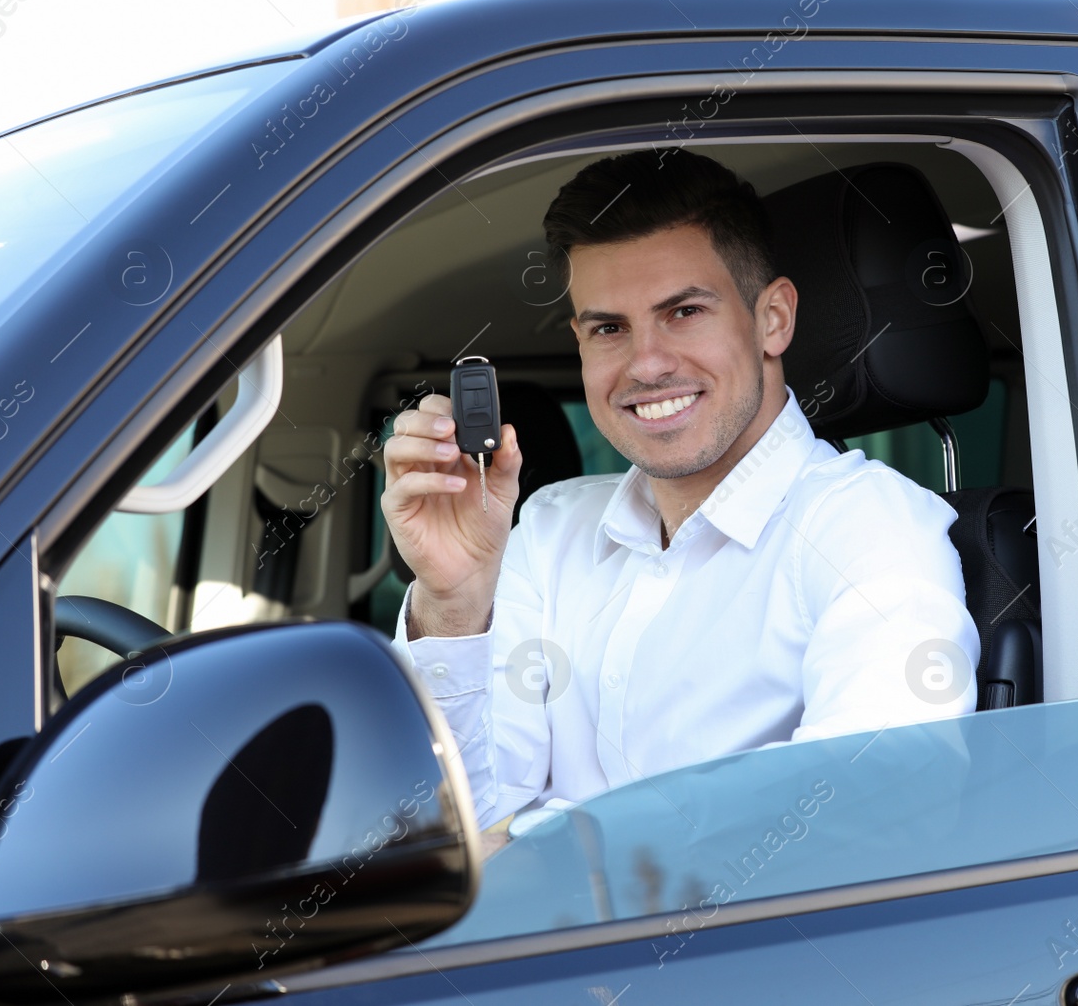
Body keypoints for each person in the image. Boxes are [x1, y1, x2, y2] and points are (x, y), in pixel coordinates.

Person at [382, 148, 979, 845]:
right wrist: (453, 600)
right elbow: (446, 835)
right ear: (579, 341)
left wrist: (536, 838)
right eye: (609, 328)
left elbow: (873, 813)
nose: (647, 364)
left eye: (684, 311)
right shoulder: (547, 529)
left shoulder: (870, 529)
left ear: (773, 319)